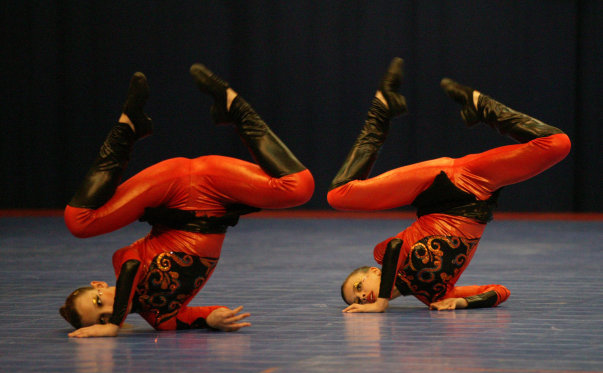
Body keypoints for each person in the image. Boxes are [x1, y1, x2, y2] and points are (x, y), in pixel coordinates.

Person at [60, 64, 314, 337]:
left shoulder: (122, 261)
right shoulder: (163, 319)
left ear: (99, 285)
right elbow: (204, 315)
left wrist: (113, 325)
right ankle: (234, 108)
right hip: (213, 193)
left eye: (99, 302)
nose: (108, 311)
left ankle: (127, 128)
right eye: (102, 318)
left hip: (170, 187)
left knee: (78, 222)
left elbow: (132, 270)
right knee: (299, 188)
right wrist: (215, 319)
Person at [328, 57, 571, 313]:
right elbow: (499, 291)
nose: (362, 296)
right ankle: (481, 105)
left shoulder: (385, 256)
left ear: (375, 272)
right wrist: (463, 302)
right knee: (557, 144)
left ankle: (381, 109)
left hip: (441, 186)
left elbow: (394, 247)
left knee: (339, 195)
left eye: (358, 287)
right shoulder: (434, 296)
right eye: (358, 300)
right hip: (478, 192)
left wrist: (382, 301)